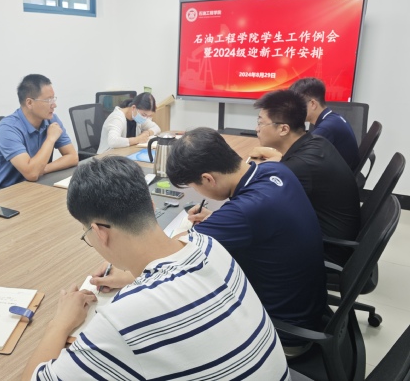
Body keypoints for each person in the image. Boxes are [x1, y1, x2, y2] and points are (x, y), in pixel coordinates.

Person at [21, 156, 290, 380]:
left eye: (86, 236)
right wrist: (131, 278)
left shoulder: (123, 319)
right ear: (151, 206)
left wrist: (60, 323)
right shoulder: (208, 245)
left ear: (99, 232)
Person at [166, 127, 326, 357]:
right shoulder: (275, 169)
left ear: (208, 179)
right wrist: (219, 220)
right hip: (305, 308)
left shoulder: (245, 211)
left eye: (195, 187)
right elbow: (258, 219)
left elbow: (171, 252)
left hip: (283, 333)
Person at [250, 90, 361, 266]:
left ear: (284, 129)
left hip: (326, 250)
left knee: (248, 235)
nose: (257, 129)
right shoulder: (316, 142)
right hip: (332, 234)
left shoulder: (301, 167)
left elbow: (257, 202)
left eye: (261, 123)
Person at [0, 74, 78, 188]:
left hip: (38, 183)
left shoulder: (51, 119)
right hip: (7, 191)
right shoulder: (7, 129)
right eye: (48, 100)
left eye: (53, 98)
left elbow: (72, 157)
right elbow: (31, 174)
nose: (54, 105)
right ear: (29, 103)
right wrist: (50, 139)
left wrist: (42, 169)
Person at [289, 77, 360, 170]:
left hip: (337, 177)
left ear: (313, 104)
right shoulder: (333, 118)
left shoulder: (326, 128)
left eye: (297, 106)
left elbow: (299, 159)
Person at [96, 92, 161, 154]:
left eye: (148, 116)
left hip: (124, 153)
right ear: (134, 108)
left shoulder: (138, 117)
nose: (145, 118)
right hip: (106, 157)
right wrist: (137, 139)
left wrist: (147, 133)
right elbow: (113, 141)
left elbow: (157, 128)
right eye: (144, 114)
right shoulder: (117, 118)